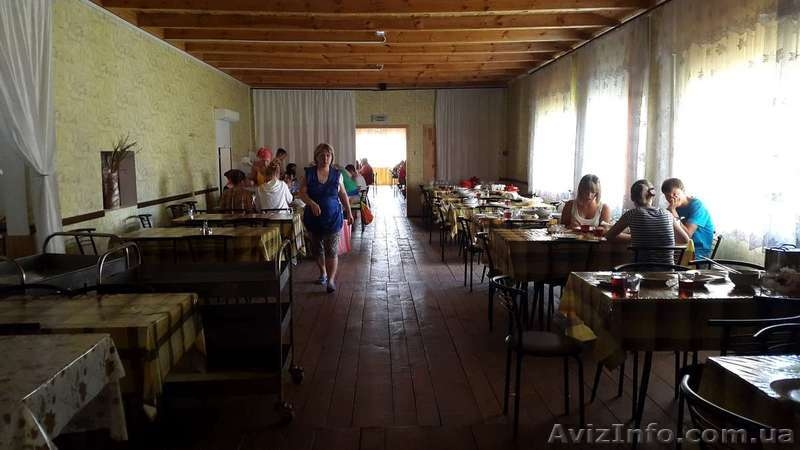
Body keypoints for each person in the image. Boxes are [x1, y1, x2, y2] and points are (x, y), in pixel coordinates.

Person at [296, 143, 354, 293]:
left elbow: (343, 194)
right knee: (317, 249)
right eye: (322, 155)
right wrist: (311, 203)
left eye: (328, 155)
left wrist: (349, 211)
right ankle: (323, 272)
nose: (325, 158)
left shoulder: (337, 175)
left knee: (332, 250)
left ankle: (331, 280)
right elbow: (302, 193)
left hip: (333, 218)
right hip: (313, 219)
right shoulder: (309, 174)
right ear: (316, 157)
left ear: (332, 157)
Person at [605, 179, 690, 264]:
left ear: (632, 198)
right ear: (652, 195)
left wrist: (635, 237)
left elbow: (608, 236)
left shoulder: (631, 214)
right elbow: (685, 240)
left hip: (640, 270)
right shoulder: (667, 214)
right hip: (668, 270)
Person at [661, 178, 716, 258]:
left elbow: (687, 235)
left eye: (675, 194)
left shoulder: (697, 206)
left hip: (697, 253)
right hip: (680, 249)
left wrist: (673, 212)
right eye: (668, 196)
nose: (672, 199)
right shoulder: (675, 208)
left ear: (683, 191)